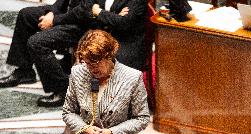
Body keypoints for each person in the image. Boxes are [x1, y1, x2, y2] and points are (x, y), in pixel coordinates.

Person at [0, 0, 147, 108]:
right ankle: (24, 72)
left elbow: (85, 11)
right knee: (26, 15)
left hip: (82, 23)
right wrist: (52, 12)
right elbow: (82, 7)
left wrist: (55, 20)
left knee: (37, 42)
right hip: (73, 14)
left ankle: (62, 89)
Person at [62, 29, 150, 134]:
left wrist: (112, 133)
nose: (91, 69)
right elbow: (68, 112)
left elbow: (142, 118)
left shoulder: (132, 78)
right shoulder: (77, 73)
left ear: (109, 56)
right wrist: (86, 129)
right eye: (87, 63)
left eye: (95, 63)